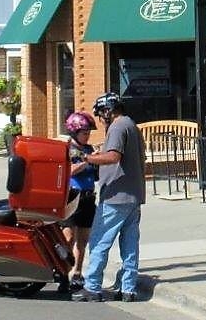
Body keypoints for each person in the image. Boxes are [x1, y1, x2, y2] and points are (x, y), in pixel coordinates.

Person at [71, 92, 145, 303]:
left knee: (99, 242)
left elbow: (113, 156)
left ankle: (92, 287)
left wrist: (87, 157)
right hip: (134, 195)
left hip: (116, 197)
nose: (101, 120)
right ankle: (128, 289)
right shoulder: (131, 125)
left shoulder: (117, 127)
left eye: (101, 115)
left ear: (108, 110)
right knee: (129, 244)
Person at [62, 111, 98, 288]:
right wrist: (86, 162)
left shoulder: (89, 150)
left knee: (83, 240)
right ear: (74, 132)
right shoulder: (68, 149)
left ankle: (77, 272)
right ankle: (63, 272)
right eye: (85, 133)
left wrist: (97, 159)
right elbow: (68, 171)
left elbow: (96, 174)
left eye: (89, 132)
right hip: (71, 197)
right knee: (68, 239)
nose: (88, 135)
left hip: (88, 198)